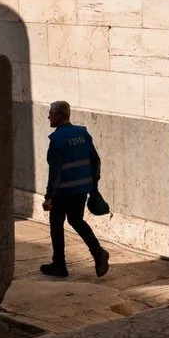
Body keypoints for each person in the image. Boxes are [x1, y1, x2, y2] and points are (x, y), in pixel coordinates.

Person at [40, 100, 109, 278]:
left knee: (56, 224)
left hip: (63, 192)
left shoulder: (57, 140)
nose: (48, 116)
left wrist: (49, 196)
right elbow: (96, 161)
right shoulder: (83, 134)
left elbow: (54, 172)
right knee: (76, 220)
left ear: (60, 115)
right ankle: (98, 252)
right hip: (81, 190)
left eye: (51, 113)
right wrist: (93, 186)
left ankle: (59, 265)